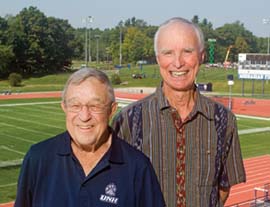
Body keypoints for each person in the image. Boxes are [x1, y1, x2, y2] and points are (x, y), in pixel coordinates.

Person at [112, 17, 246, 207]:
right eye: (168, 53)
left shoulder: (224, 120)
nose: (178, 63)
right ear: (158, 59)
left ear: (201, 56)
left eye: (187, 51)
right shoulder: (128, 120)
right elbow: (116, 186)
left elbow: (223, 189)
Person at [14, 68, 165, 207]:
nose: (84, 116)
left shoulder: (137, 167)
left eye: (94, 106)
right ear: (64, 108)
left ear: (112, 110)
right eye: (75, 106)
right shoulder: (38, 159)